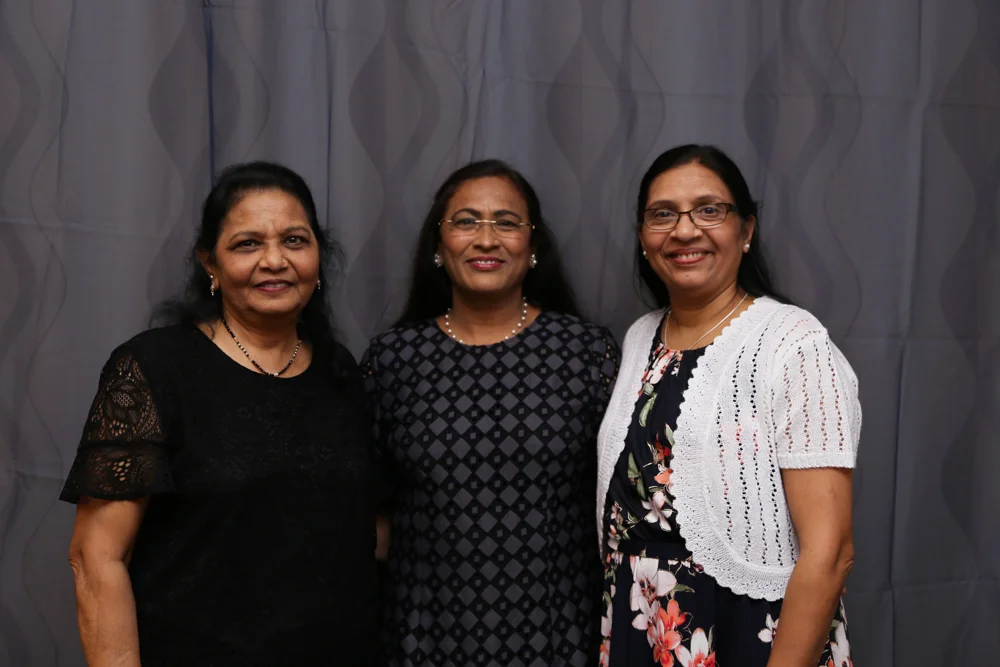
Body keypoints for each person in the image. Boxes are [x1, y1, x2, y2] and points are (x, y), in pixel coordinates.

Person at [61, 162, 381, 666]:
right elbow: (96, 559)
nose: (274, 260)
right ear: (210, 263)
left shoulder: (339, 372)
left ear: (318, 257)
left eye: (295, 241)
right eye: (247, 244)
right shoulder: (155, 368)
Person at [596, 145, 859, 666]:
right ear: (644, 237)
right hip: (643, 625)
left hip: (751, 634)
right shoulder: (641, 338)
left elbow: (830, 554)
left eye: (709, 210)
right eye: (662, 214)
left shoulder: (794, 342)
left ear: (746, 230)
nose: (684, 230)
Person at [363, 159, 620, 667]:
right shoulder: (393, 359)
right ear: (439, 246)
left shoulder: (587, 352)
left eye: (506, 222)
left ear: (532, 245)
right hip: (423, 638)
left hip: (559, 636)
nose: (486, 239)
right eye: (465, 222)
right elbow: (366, 509)